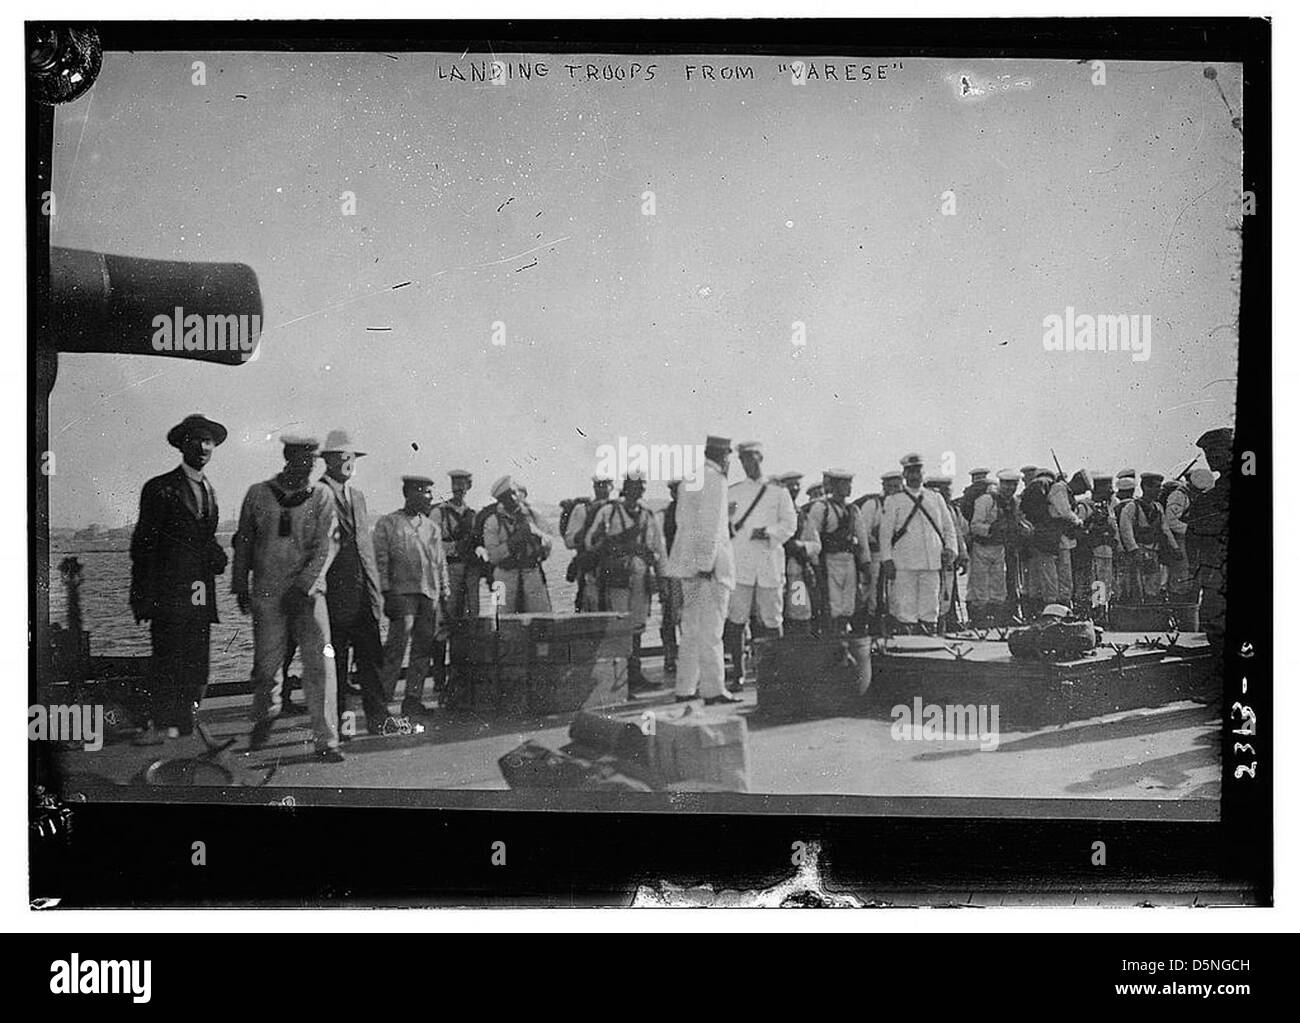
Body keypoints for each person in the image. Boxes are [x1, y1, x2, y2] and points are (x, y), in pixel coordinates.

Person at [232, 435, 343, 761]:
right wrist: (240, 582)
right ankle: (266, 716)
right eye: (301, 459)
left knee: (321, 665)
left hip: (308, 594)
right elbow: (244, 541)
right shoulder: (258, 494)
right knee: (266, 665)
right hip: (268, 591)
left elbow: (327, 547)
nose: (307, 467)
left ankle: (327, 739)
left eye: (312, 461)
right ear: (286, 457)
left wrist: (304, 586)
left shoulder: (322, 497)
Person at [128, 413, 230, 744]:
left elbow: (203, 537)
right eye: (196, 440)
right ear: (182, 445)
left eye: (208, 441)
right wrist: (142, 595)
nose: (202, 447)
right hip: (168, 592)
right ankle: (162, 726)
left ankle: (186, 725)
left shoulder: (210, 490)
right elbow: (143, 545)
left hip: (200, 591)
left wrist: (217, 555)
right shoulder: (160, 488)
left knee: (198, 659)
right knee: (168, 656)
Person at [319, 429, 392, 736]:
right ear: (328, 460)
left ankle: (379, 719)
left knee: (371, 660)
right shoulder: (319, 494)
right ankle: (337, 727)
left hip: (364, 594)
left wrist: (376, 593)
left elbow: (365, 550)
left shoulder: (358, 497)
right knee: (335, 664)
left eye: (351, 457)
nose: (348, 462)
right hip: (334, 596)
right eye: (342, 457)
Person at [663, 435, 741, 705]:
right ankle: (713, 689)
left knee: (691, 630)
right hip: (709, 568)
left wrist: (694, 564)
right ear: (724, 455)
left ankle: (684, 688)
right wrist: (706, 564)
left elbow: (682, 521)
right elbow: (710, 525)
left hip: (687, 565)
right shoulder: (716, 479)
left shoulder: (690, 478)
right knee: (712, 631)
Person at [373, 475, 451, 719]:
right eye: (425, 492)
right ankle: (382, 699)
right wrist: (386, 591)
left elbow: (440, 564)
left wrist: (445, 594)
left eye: (430, 492)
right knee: (396, 646)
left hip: (429, 594)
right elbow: (381, 560)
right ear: (410, 493)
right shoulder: (388, 523)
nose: (430, 497)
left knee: (422, 648)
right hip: (401, 594)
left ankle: (413, 699)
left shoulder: (431, 528)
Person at [725, 441, 797, 684]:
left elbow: (789, 525)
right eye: (744, 459)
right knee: (736, 619)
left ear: (761, 459)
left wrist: (767, 532)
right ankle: (738, 672)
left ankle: (774, 671)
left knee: (772, 619)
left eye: (753, 458)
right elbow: (725, 523)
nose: (749, 464)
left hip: (769, 562)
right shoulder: (733, 492)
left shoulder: (778, 491)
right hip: (741, 564)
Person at [587, 472, 667, 692]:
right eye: (636, 485)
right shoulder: (609, 512)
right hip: (616, 578)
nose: (640, 489)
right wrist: (606, 541)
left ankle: (635, 673)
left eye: (643, 485)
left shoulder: (648, 515)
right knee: (618, 626)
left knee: (638, 626)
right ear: (626, 487)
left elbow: (659, 548)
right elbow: (590, 542)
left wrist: (662, 579)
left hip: (640, 578)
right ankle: (618, 678)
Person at [878, 453, 957, 634]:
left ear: (923, 473)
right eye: (910, 471)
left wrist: (951, 549)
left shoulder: (935, 498)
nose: (915, 475)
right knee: (906, 608)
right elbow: (885, 534)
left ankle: (929, 638)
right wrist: (887, 559)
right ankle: (909, 644)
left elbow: (948, 527)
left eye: (918, 471)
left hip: (932, 561)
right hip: (905, 563)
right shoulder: (894, 500)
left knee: (930, 606)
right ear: (904, 474)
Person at [1185, 427, 1232, 676]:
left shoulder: (1212, 498)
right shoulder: (1208, 498)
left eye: (1217, 451)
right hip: (1215, 571)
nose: (1212, 457)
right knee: (1212, 619)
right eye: (1207, 453)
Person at [436, 469, 481, 686]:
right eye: (455, 486)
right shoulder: (440, 513)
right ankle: (438, 677)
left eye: (463, 486)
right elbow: (433, 546)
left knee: (469, 620)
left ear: (468, 487)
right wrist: (455, 547)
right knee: (445, 622)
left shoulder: (473, 514)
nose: (459, 490)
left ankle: (463, 674)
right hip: (450, 570)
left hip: (470, 572)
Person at [483, 476, 552, 612]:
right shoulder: (492, 521)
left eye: (515, 493)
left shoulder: (533, 515)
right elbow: (493, 556)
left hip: (531, 574)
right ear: (501, 500)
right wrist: (515, 541)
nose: (514, 499)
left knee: (540, 619)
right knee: (502, 620)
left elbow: (548, 544)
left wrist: (537, 536)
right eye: (508, 497)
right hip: (503, 577)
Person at [806, 469, 862, 635]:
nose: (848, 487)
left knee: (848, 604)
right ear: (835, 485)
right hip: (829, 561)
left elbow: (862, 540)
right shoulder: (821, 508)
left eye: (849, 483)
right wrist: (815, 566)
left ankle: (843, 635)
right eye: (844, 483)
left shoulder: (853, 510)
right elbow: (812, 537)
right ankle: (832, 639)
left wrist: (864, 563)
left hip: (849, 561)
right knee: (832, 604)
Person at [966, 469, 1021, 626]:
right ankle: (978, 619)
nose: (1010, 488)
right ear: (1001, 484)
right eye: (1007, 485)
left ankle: (996, 619)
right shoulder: (986, 500)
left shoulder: (1013, 502)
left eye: (1014, 485)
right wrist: (991, 529)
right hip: (982, 547)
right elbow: (974, 525)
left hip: (1000, 548)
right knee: (979, 585)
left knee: (998, 585)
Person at [776, 471, 820, 635]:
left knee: (799, 614)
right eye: (790, 485)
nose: (794, 489)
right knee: (773, 615)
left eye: (797, 485)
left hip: (796, 574)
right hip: (774, 573)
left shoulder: (802, 515)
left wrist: (800, 547)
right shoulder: (773, 514)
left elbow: (816, 545)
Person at [563, 475, 613, 611]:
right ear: (594, 487)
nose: (602, 489)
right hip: (588, 568)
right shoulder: (582, 510)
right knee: (588, 605)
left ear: (611, 487)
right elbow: (569, 541)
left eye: (605, 485)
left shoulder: (616, 509)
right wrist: (585, 530)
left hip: (612, 569)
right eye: (599, 485)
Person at [925, 476, 969, 630]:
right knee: (935, 592)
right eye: (945, 490)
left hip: (950, 557)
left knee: (949, 591)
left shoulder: (952, 509)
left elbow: (959, 533)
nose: (948, 494)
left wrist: (962, 556)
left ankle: (949, 620)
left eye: (949, 490)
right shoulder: (931, 509)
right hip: (934, 557)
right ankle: (937, 623)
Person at [1162, 469, 1213, 598]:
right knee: (1181, 576)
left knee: (1193, 575)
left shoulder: (1194, 495)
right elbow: (1171, 520)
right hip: (1181, 540)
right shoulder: (1179, 496)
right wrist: (1192, 531)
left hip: (1192, 541)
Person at [1118, 472, 1165, 603]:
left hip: (1153, 551)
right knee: (1135, 584)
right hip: (1138, 551)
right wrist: (1133, 549)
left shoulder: (1158, 507)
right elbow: (1125, 530)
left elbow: (1164, 528)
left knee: (1153, 583)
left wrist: (1174, 547)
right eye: (1156, 487)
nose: (1159, 490)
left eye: (1159, 487)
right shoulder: (1132, 507)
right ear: (1145, 487)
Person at [1078, 472, 1118, 620]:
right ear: (1098, 490)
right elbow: (1079, 527)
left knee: (1104, 583)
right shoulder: (1086, 506)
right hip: (1092, 552)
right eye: (1108, 489)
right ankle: (1096, 614)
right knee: (1095, 584)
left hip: (1106, 552)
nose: (1111, 492)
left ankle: (1102, 611)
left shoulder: (1109, 507)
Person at [658, 479, 684, 672]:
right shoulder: (664, 515)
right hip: (671, 570)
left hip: (689, 571)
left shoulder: (693, 513)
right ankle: (670, 657)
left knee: (689, 616)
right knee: (669, 616)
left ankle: (686, 655)